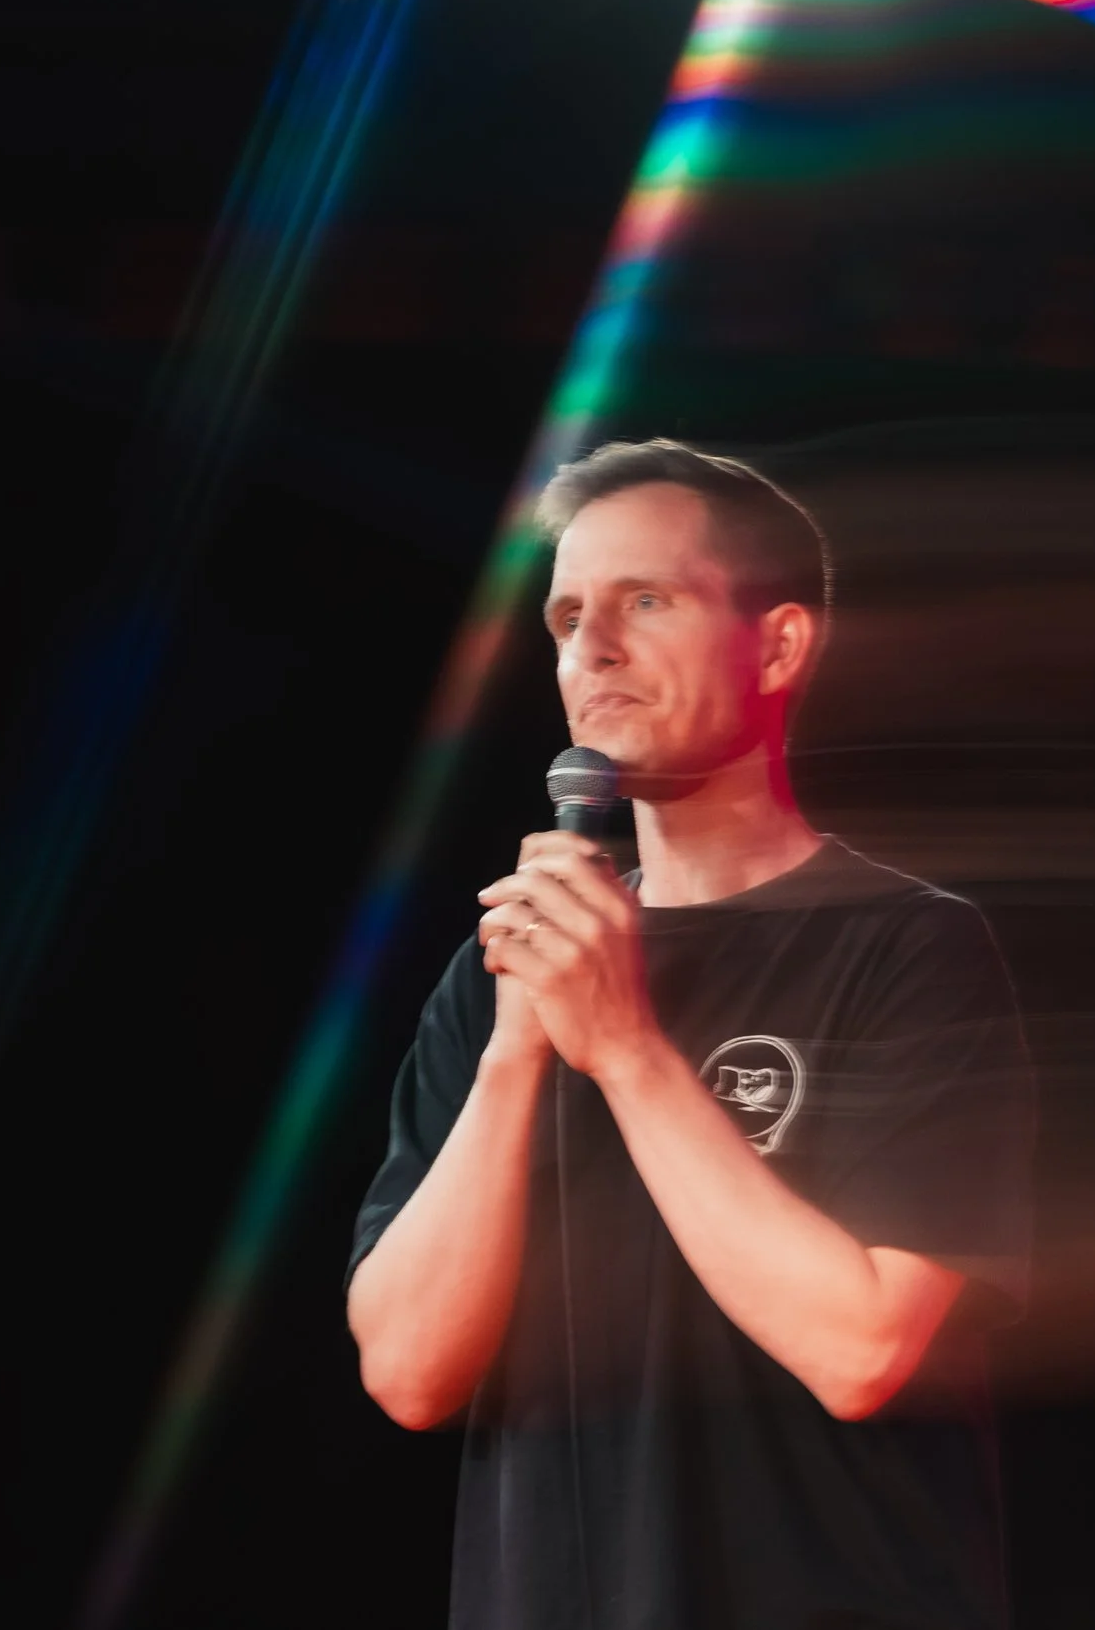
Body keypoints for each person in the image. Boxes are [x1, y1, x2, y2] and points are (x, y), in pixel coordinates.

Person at [345, 439, 1037, 1630]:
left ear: (775, 644)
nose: (592, 650)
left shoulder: (908, 947)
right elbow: (409, 1373)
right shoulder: (501, 968)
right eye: (567, 617)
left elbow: (861, 1346)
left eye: (645, 601)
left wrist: (624, 1047)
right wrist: (520, 1045)